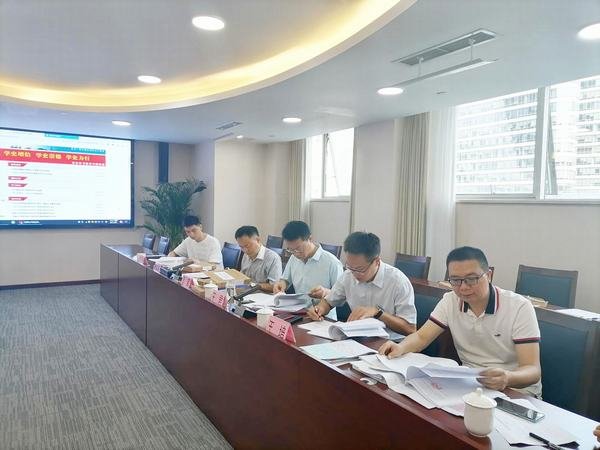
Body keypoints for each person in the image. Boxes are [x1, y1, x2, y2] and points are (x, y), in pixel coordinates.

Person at [379, 246, 542, 396]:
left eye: (471, 279)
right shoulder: (450, 300)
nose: (463, 287)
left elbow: (532, 370)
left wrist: (507, 378)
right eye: (455, 280)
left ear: (489, 275)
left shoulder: (519, 307)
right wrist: (401, 347)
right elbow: (422, 337)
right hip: (471, 386)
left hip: (515, 392)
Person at [307, 231, 416, 335]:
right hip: (357, 338)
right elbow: (329, 302)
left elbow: (410, 329)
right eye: (350, 267)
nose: (354, 274)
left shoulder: (398, 282)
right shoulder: (348, 276)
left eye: (360, 269)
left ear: (377, 261)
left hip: (391, 342)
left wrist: (378, 313)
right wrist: (319, 309)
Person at [272, 221, 343, 304]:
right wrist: (281, 284)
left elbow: (341, 297)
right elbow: (286, 280)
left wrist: (325, 292)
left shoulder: (332, 262)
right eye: (290, 250)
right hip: (297, 308)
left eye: (298, 248)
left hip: (321, 310)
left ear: (310, 239)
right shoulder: (293, 258)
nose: (296, 253)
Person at [235, 225, 282, 292]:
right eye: (241, 247)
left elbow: (275, 286)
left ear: (258, 240)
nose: (245, 250)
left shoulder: (273, 258)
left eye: (247, 246)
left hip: (263, 296)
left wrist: (252, 285)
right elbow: (242, 277)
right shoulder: (246, 255)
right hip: (246, 293)